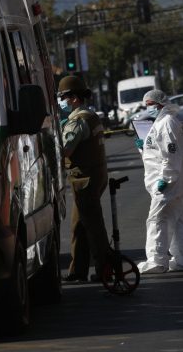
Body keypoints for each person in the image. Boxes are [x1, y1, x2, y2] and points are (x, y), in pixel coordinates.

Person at [134, 89, 183, 274]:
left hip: (168, 182)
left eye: (149, 105)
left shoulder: (167, 123)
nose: (148, 109)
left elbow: (172, 155)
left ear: (159, 104)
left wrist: (166, 179)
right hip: (169, 180)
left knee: (156, 219)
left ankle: (156, 261)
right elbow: (156, 153)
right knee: (179, 220)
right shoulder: (160, 123)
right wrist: (142, 147)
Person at [57, 75, 112, 282]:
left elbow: (66, 150)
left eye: (62, 97)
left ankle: (104, 268)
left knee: (93, 227)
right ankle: (77, 271)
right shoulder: (91, 115)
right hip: (93, 177)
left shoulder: (78, 121)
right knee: (79, 225)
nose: (61, 101)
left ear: (73, 98)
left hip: (85, 181)